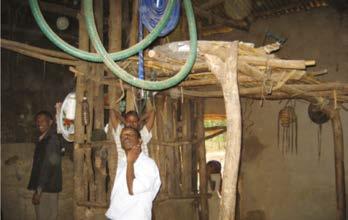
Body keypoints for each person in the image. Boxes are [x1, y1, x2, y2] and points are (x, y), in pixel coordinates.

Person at [105, 126, 161, 220]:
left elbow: (133, 189)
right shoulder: (123, 162)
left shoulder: (148, 164)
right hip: (115, 216)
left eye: (130, 134)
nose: (126, 137)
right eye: (123, 136)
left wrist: (130, 161)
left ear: (140, 140)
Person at [27, 111, 62, 220]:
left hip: (46, 188)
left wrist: (38, 191)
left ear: (50, 122)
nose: (39, 123)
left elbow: (47, 166)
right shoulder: (43, 140)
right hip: (46, 187)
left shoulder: (51, 140)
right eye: (37, 120)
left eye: (42, 120)